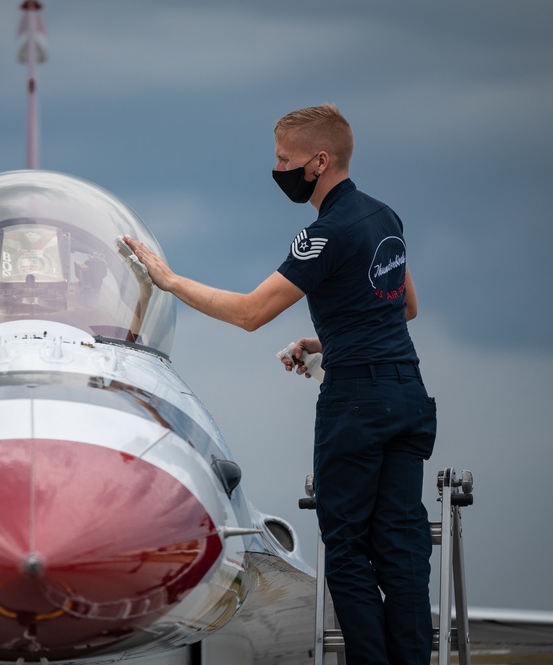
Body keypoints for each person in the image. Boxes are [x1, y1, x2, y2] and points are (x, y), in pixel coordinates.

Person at [123, 103, 437, 665]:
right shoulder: (385, 217)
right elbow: (404, 305)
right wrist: (326, 342)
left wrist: (169, 281)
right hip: (407, 393)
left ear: (319, 161)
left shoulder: (324, 235)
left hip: (357, 404)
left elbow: (249, 313)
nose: (278, 169)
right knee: (402, 547)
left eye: (284, 159)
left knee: (345, 550)